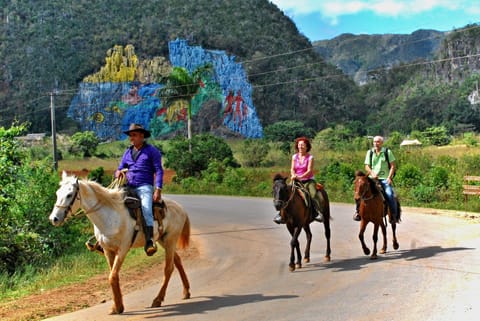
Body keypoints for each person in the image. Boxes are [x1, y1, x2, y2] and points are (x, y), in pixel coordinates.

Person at [116, 123, 164, 256]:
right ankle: (108, 238)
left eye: (134, 135)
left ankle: (149, 240)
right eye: (130, 135)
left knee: (146, 208)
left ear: (142, 136)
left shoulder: (152, 151)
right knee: (112, 202)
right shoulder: (127, 152)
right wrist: (118, 173)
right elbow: (120, 168)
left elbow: (159, 170)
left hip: (144, 187)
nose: (131, 138)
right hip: (128, 186)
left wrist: (158, 189)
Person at [274, 136, 325, 224]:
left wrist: (300, 177)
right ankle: (280, 214)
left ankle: (317, 213)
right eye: (299, 145)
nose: (300, 147)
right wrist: (293, 175)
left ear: (307, 146)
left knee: (313, 194)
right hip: (295, 179)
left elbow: (309, 171)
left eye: (303, 145)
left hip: (308, 180)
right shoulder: (294, 157)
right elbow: (292, 168)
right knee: (286, 193)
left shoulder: (310, 158)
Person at [353, 135, 398, 222]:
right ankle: (358, 212)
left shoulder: (387, 152)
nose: (376, 143)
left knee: (390, 194)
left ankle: (393, 215)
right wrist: (372, 173)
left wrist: (389, 178)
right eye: (374, 142)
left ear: (382, 143)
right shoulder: (370, 152)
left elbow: (393, 166)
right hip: (371, 179)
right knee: (359, 192)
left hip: (384, 179)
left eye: (378, 142)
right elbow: (367, 166)